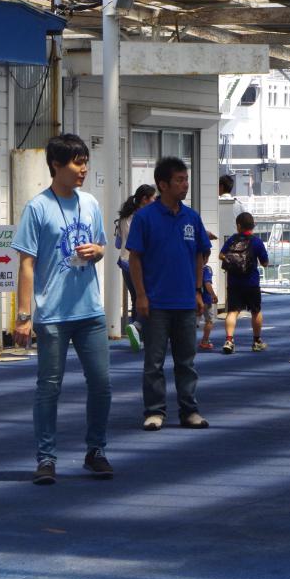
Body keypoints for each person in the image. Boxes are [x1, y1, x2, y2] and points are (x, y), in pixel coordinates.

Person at [11, 133, 112, 486]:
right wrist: (24, 316)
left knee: (101, 384)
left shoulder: (91, 203)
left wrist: (97, 252)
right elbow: (26, 265)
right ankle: (46, 458)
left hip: (90, 311)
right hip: (52, 314)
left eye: (85, 162)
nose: (84, 169)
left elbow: (102, 245)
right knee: (49, 388)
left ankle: (96, 451)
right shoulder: (37, 207)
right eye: (77, 163)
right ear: (56, 165)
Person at [127, 156, 212, 431]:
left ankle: (189, 411)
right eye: (179, 180)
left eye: (186, 179)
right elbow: (135, 258)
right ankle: (154, 411)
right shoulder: (144, 217)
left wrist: (198, 291)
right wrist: (141, 295)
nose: (185, 184)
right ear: (162, 184)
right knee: (153, 362)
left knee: (186, 361)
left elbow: (200, 255)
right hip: (155, 303)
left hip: (186, 301)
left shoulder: (192, 217)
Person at [219, 212, 269, 354]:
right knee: (256, 311)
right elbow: (265, 263)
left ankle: (229, 340)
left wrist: (232, 260)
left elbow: (221, 255)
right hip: (251, 282)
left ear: (239, 226)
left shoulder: (232, 240)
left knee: (232, 312)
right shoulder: (257, 242)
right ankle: (257, 341)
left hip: (234, 282)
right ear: (252, 226)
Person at [115, 184, 156, 352]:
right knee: (147, 298)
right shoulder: (143, 217)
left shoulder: (123, 217)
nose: (155, 201)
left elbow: (118, 243)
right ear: (145, 199)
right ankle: (138, 327)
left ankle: (137, 335)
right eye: (153, 198)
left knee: (136, 298)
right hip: (138, 262)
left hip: (124, 261)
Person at [198, 264, 217, 351]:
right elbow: (207, 283)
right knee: (209, 320)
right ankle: (204, 341)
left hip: (194, 298)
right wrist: (213, 295)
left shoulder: (191, 266)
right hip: (205, 299)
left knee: (193, 321)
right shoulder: (207, 269)